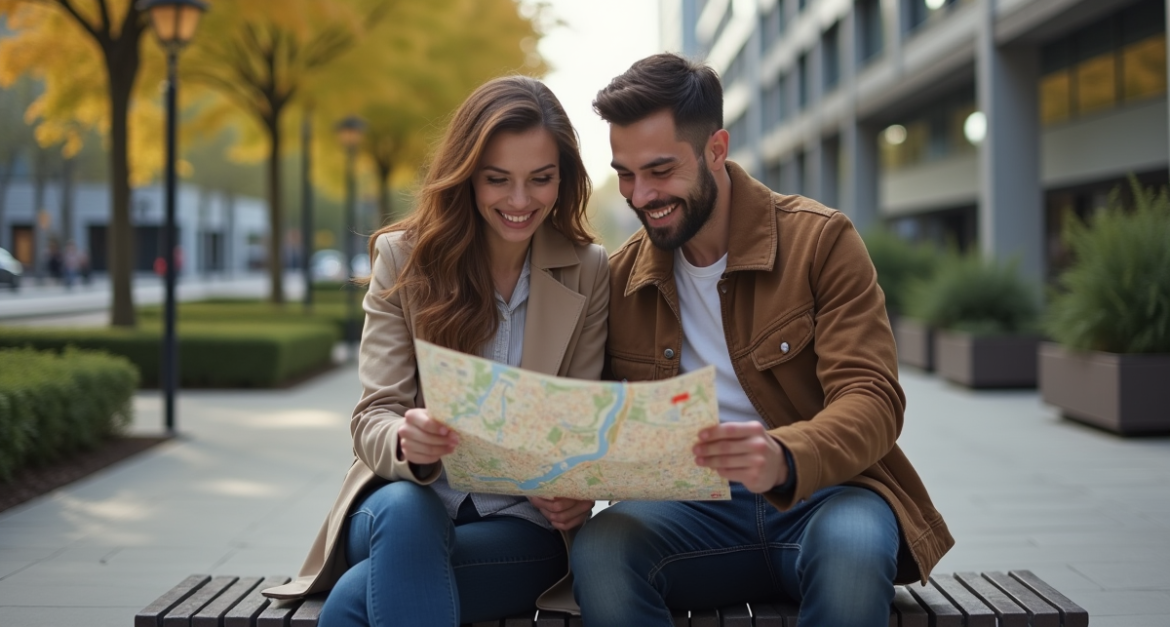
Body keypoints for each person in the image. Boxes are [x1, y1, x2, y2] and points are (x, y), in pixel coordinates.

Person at [570, 53, 953, 627]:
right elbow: (588, 421)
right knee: (601, 549)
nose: (641, 194)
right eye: (626, 173)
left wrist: (783, 456)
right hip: (691, 512)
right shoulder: (619, 280)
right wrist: (567, 480)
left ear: (716, 150)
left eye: (660, 170)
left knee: (852, 552)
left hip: (826, 495)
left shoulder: (821, 242)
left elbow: (873, 398)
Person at [264, 77, 609, 626]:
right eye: (498, 180)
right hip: (398, 501)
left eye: (540, 180)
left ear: (563, 179)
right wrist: (408, 440)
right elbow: (373, 414)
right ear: (467, 174)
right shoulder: (403, 259)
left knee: (357, 598)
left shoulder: (589, 270)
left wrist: (574, 489)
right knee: (407, 514)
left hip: (519, 528)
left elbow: (577, 423)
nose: (520, 202)